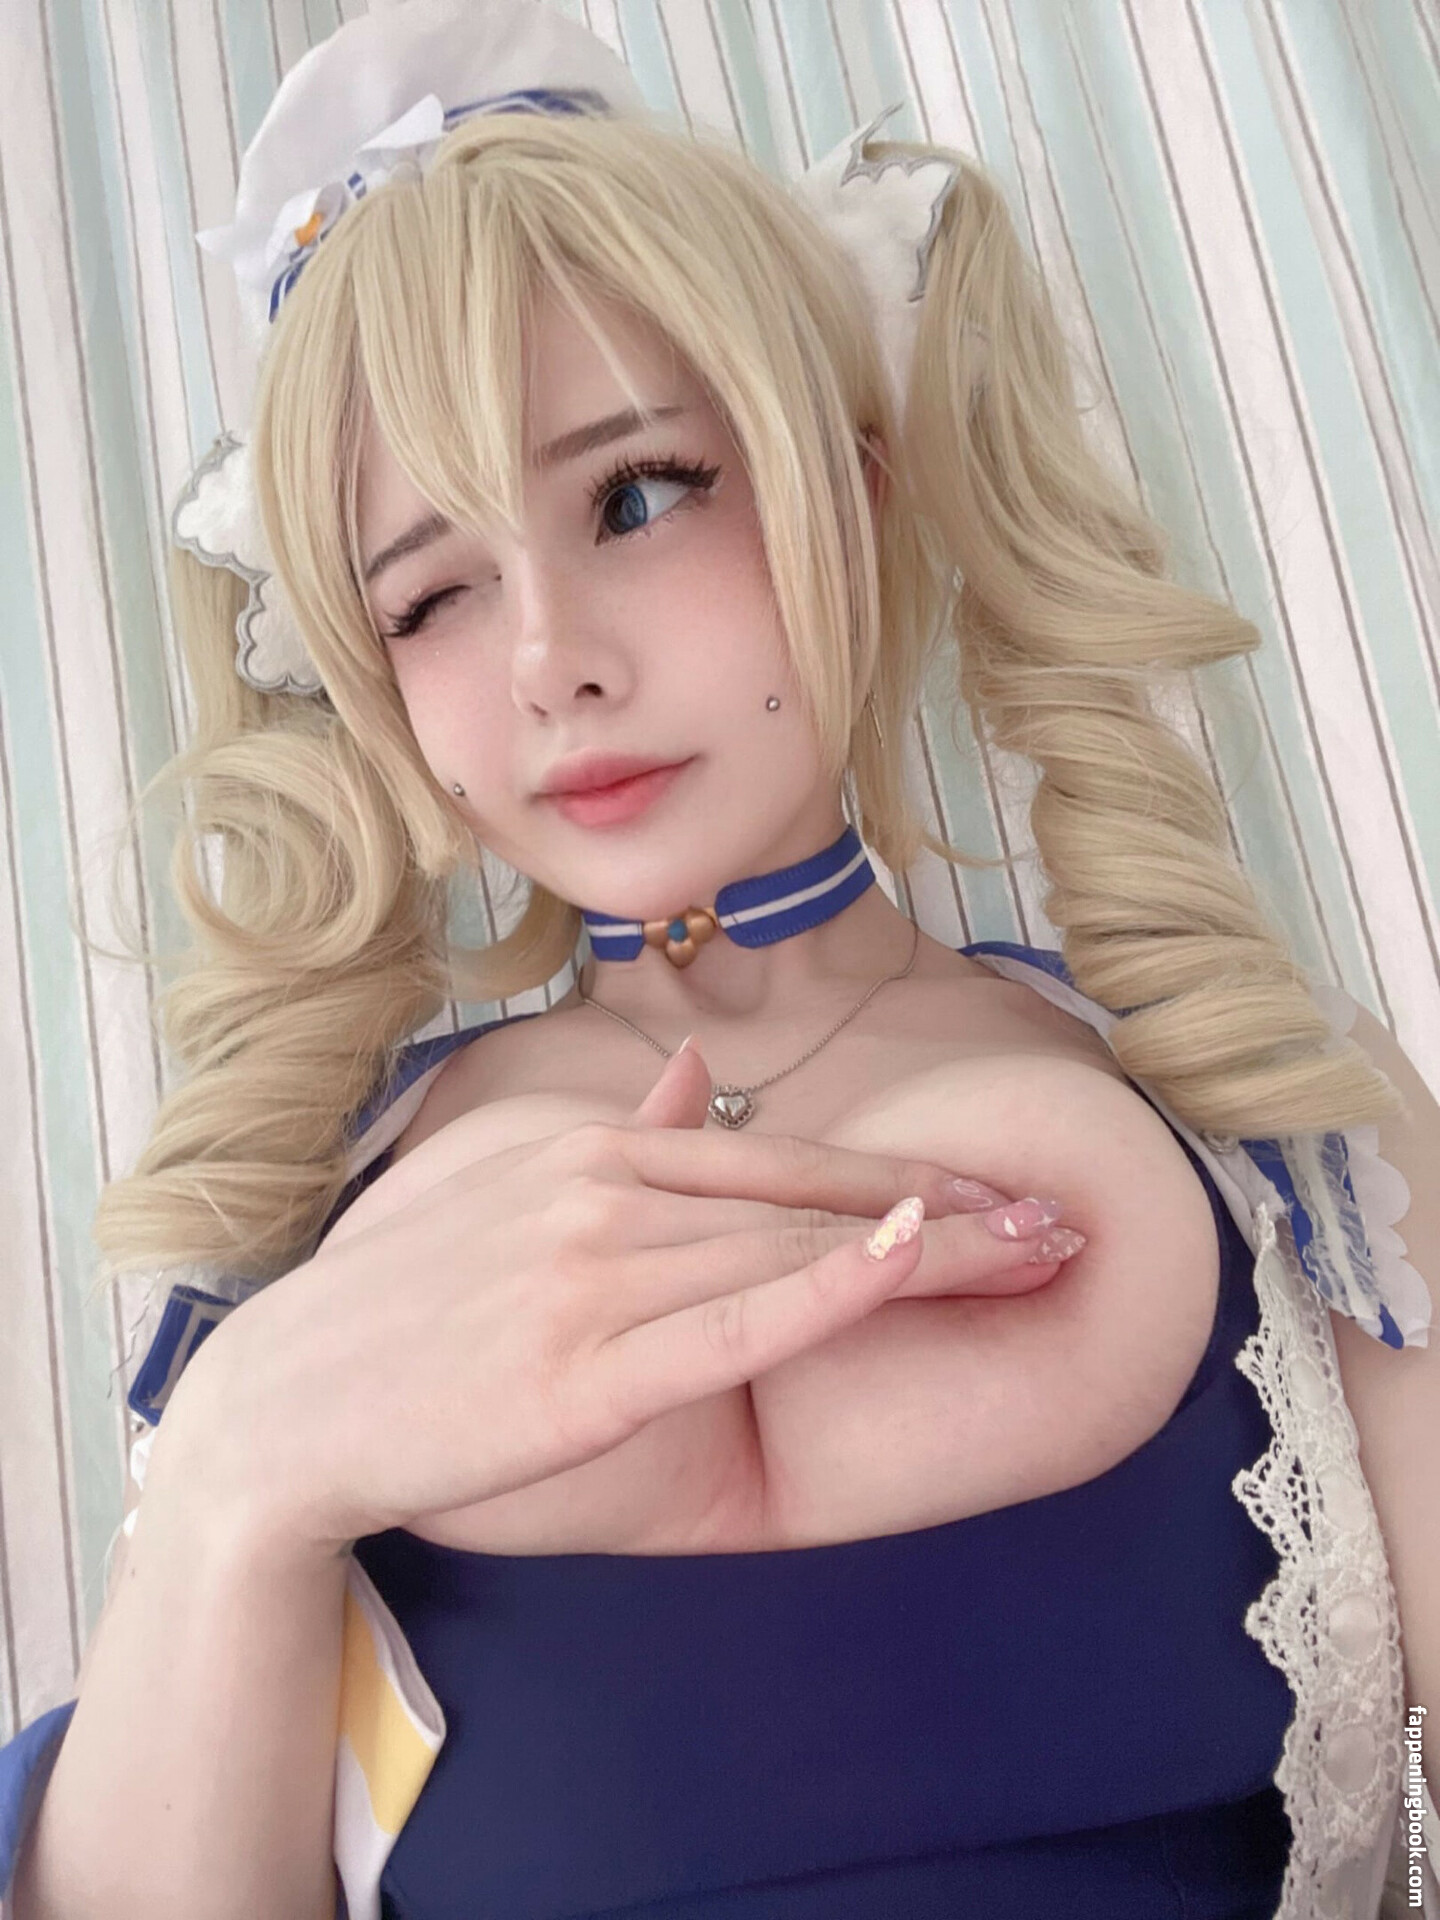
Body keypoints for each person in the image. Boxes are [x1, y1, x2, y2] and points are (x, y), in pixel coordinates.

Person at [3, 4, 1437, 1917]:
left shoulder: (1266, 1105)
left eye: (637, 494)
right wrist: (240, 1464)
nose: (551, 662)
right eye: (431, 593)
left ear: (853, 484)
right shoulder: (309, 1211)